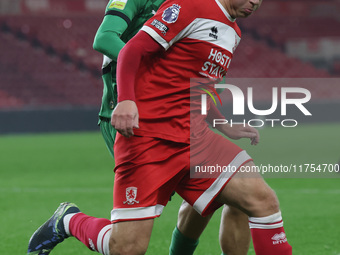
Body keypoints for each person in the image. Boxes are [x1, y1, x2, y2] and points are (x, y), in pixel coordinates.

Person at [28, 0, 293, 255]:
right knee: (127, 248)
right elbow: (132, 50)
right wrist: (127, 99)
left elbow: (199, 87)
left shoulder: (233, 34)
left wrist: (223, 125)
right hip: (149, 137)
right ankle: (68, 220)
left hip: (195, 138)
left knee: (261, 200)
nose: (256, 2)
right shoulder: (190, 6)